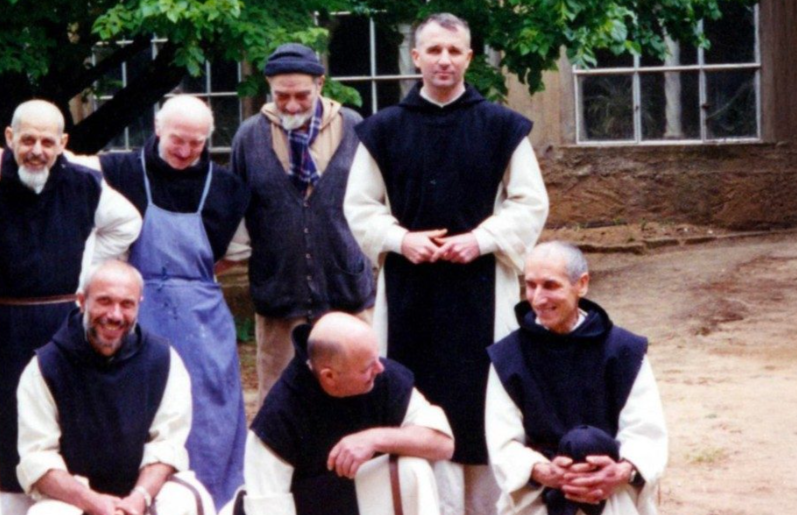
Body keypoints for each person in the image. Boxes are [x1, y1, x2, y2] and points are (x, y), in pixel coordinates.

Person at [0, 95, 249, 508]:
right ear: (157, 128)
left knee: (209, 422)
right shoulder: (120, 169)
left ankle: (209, 504)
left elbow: (236, 253)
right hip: (134, 308)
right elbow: (53, 155)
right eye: (177, 139)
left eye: (197, 142)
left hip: (201, 321)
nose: (185, 151)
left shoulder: (227, 188)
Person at [344, 13, 549, 515]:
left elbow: (530, 202)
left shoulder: (501, 127)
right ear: (415, 57)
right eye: (434, 50)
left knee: (483, 402)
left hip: (482, 288)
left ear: (469, 58)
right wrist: (402, 240)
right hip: (410, 291)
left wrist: (480, 240)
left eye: (454, 51)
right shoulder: (384, 129)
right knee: (416, 393)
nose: (444, 60)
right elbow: (360, 206)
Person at [0, 99, 141, 514]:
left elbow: (127, 224)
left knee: (67, 419)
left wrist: (84, 275)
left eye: (48, 142)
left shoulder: (83, 182)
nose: (37, 150)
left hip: (65, 322)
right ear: (9, 137)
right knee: (3, 422)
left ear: (62, 143)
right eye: (27, 140)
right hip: (2, 324)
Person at [228, 43, 375, 404]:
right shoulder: (249, 136)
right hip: (280, 290)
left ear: (320, 84)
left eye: (301, 95)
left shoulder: (354, 127)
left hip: (345, 287)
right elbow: (234, 211)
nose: (292, 105)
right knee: (281, 402)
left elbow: (376, 202)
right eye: (282, 96)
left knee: (357, 396)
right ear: (269, 87)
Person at [15, 261, 215, 515]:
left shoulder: (163, 360)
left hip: (143, 494)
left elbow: (168, 445)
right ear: (82, 301)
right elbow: (38, 458)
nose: (115, 315)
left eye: (127, 304)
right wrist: (93, 502)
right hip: (77, 498)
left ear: (139, 304)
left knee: (185, 498)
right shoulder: (46, 367)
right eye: (105, 301)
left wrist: (138, 499)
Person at [485, 242, 668, 515]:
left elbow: (645, 430)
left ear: (581, 284)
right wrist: (543, 471)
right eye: (531, 285)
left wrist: (621, 471)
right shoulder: (508, 356)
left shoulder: (624, 351)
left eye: (550, 285)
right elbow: (503, 440)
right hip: (539, 495)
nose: (537, 298)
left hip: (611, 492)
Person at [230, 312, 455, 515]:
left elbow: (443, 444)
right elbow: (267, 506)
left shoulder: (383, 377)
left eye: (377, 358)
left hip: (360, 498)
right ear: (329, 376)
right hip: (308, 506)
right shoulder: (280, 414)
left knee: (413, 469)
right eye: (367, 367)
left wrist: (374, 439)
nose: (380, 369)